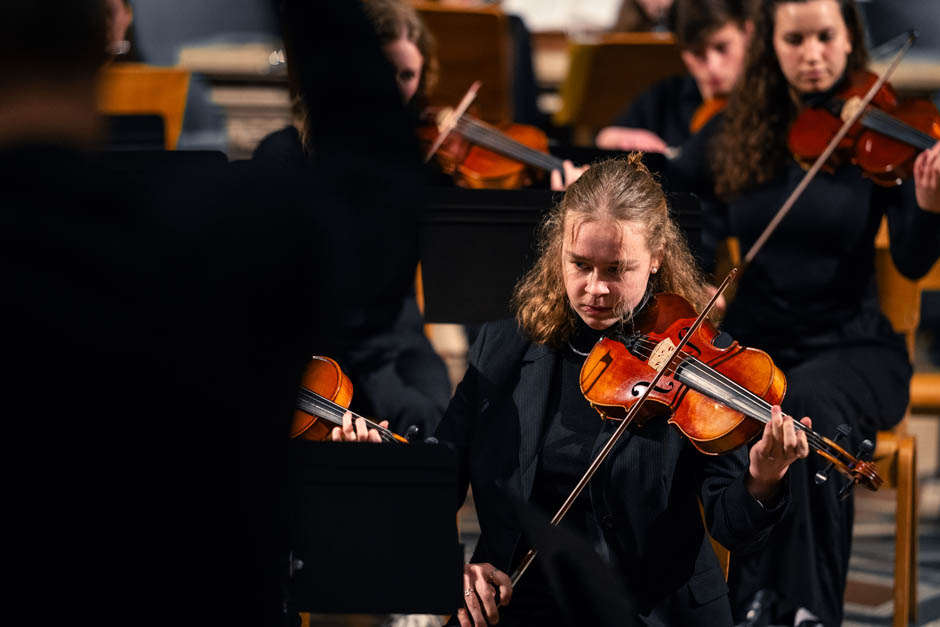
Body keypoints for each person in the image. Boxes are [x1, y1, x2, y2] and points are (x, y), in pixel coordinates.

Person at [335, 156, 813, 626]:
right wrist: (391, 476)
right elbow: (444, 471)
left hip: (650, 610)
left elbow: (735, 528)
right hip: (519, 602)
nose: (595, 289)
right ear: (558, 250)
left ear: (656, 258)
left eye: (616, 269)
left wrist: (763, 478)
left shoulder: (701, 363)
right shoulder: (504, 345)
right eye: (579, 264)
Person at [671, 0, 940, 624]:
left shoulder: (882, 129)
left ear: (851, 41)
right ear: (772, 44)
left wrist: (927, 204)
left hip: (854, 347)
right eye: (795, 39)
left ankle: (803, 610)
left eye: (826, 37)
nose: (812, 54)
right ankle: (743, 604)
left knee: (805, 416)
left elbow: (911, 255)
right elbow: (680, 206)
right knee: (719, 412)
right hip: (760, 346)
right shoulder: (738, 129)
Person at [596, 0, 752, 156]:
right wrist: (613, 138)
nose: (713, 67)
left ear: (748, 32)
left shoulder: (768, 95)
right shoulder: (666, 97)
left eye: (721, 47)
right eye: (697, 53)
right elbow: (606, 137)